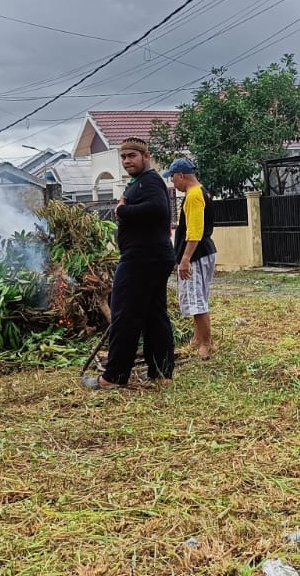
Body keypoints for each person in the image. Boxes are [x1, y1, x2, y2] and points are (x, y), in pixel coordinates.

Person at [84, 138, 175, 390]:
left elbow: (157, 209)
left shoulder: (150, 181)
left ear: (145, 156)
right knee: (154, 315)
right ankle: (161, 372)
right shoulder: (143, 182)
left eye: (132, 156)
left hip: (142, 259)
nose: (127, 161)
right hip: (151, 257)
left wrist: (122, 210)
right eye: (123, 157)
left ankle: (113, 377)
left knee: (125, 314)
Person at [166, 157, 216, 358]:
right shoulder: (200, 192)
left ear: (181, 175)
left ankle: (207, 343)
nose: (173, 183)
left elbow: (195, 231)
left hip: (196, 254)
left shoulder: (194, 195)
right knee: (198, 297)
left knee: (196, 300)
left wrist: (185, 258)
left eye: (173, 178)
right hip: (204, 251)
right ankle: (197, 338)